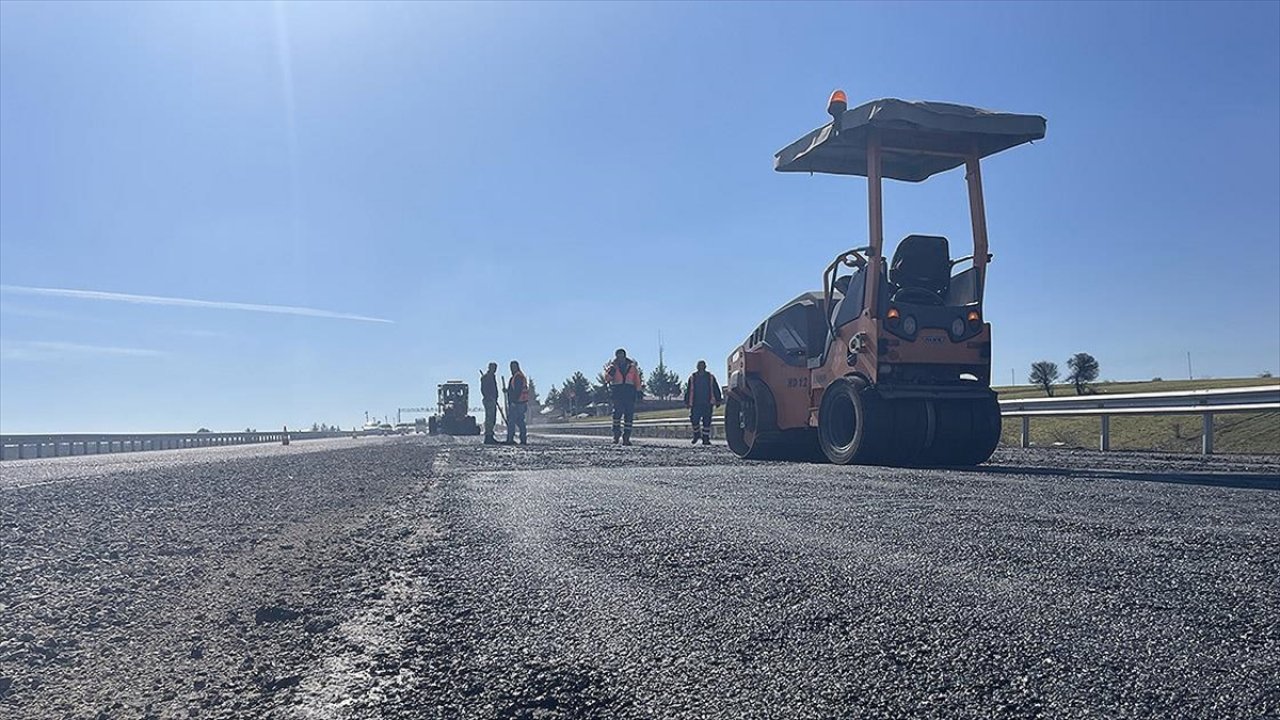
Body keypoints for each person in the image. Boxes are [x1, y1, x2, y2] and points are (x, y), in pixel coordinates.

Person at [603, 348, 643, 445]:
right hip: (618, 393)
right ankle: (616, 436)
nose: (620, 358)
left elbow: (637, 380)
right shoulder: (612, 367)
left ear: (625, 356)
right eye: (618, 356)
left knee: (629, 416)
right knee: (617, 415)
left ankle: (626, 438)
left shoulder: (632, 367)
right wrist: (610, 373)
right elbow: (606, 379)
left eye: (622, 356)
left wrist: (639, 391)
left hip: (629, 393)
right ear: (616, 357)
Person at [683, 359, 723, 446]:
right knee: (694, 420)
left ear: (705, 367)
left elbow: (716, 388)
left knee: (707, 422)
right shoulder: (692, 377)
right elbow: (688, 390)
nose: (701, 367)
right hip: (695, 403)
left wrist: (718, 400)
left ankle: (705, 439)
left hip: (707, 403)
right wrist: (687, 402)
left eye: (702, 365)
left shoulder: (710, 377)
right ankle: (696, 434)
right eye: (699, 366)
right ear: (697, 367)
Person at [505, 360, 529, 445]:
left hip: (518, 403)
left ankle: (510, 439)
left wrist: (513, 402)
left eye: (513, 367)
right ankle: (522, 439)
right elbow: (513, 389)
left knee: (512, 421)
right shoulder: (516, 376)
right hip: (520, 403)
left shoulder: (518, 377)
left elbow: (517, 391)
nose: (511, 369)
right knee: (520, 421)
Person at [480, 362, 499, 444]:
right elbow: (483, 389)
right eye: (493, 368)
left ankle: (490, 435)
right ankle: (488, 436)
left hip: (493, 400)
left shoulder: (491, 376)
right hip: (489, 400)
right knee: (489, 418)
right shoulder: (486, 377)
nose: (494, 370)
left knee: (492, 418)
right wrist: (489, 396)